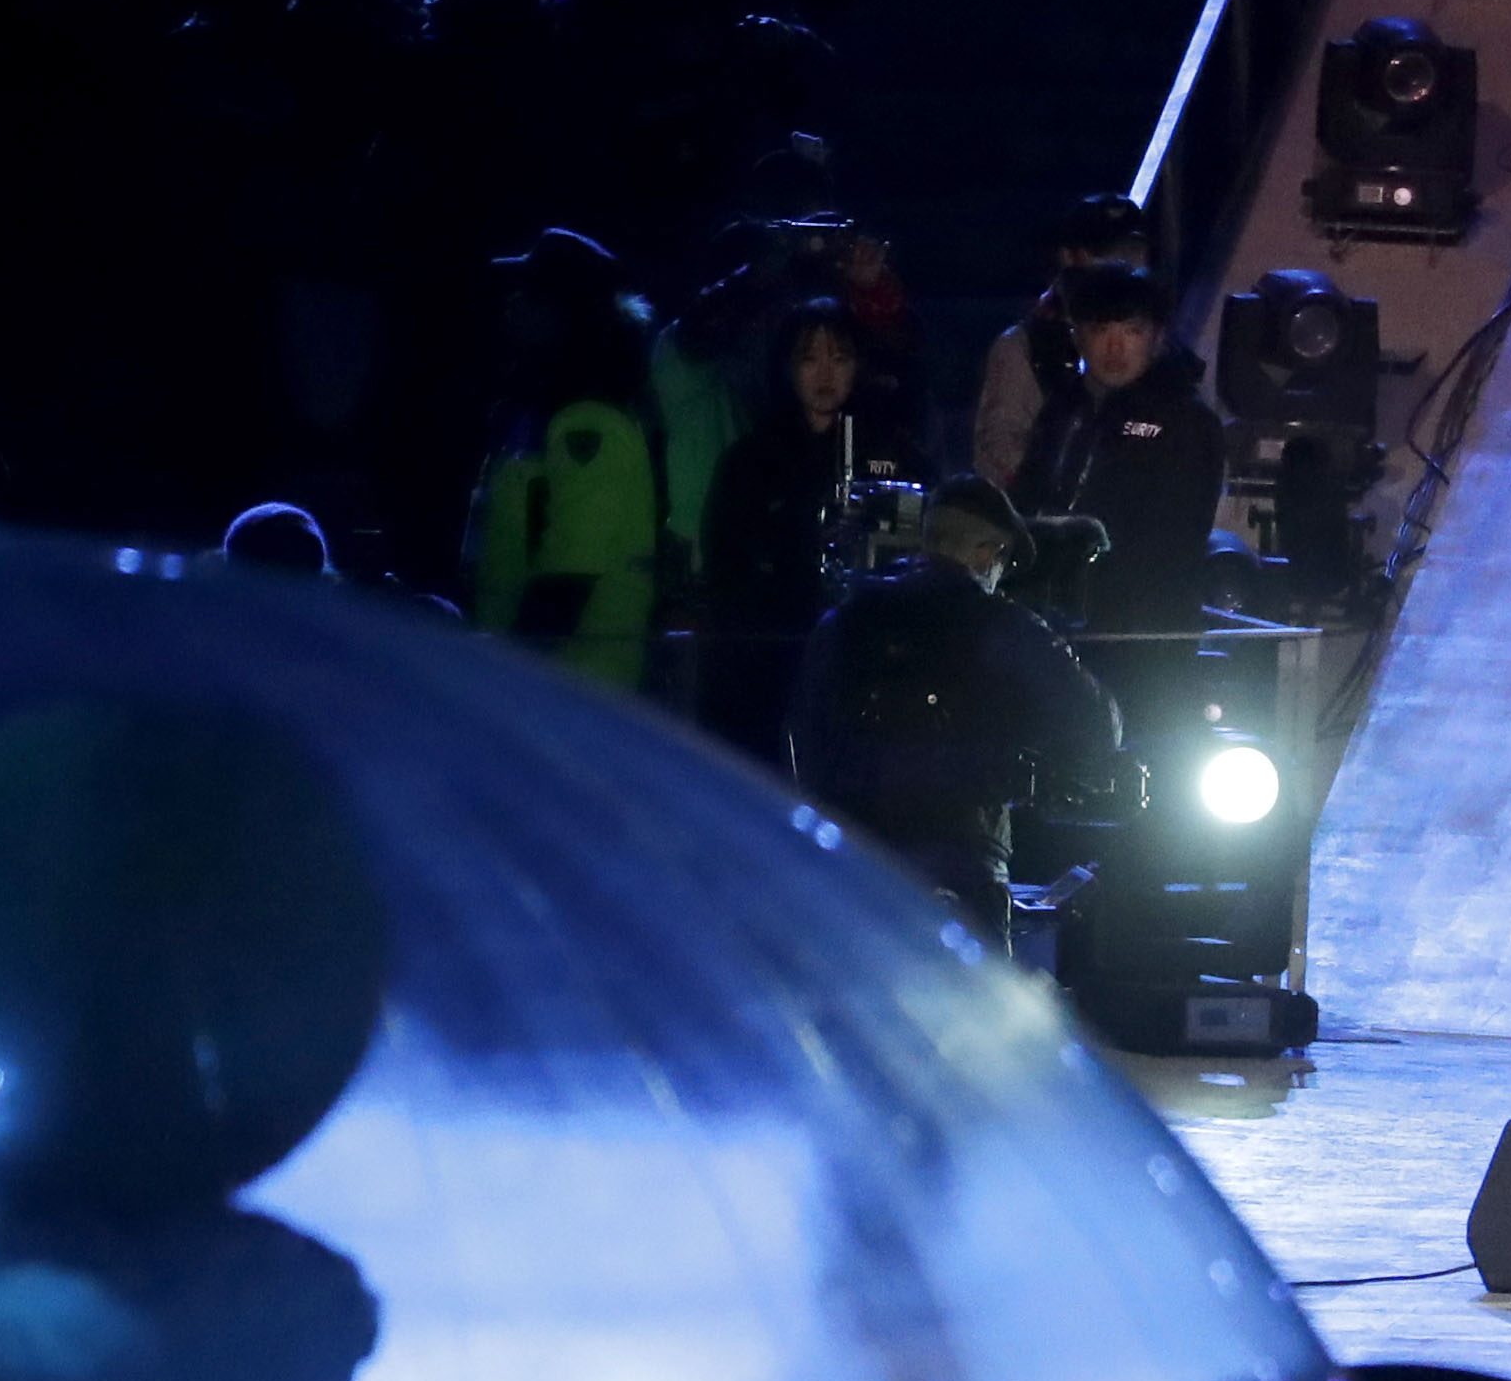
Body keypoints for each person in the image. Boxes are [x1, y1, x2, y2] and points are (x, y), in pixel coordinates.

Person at [786, 477, 1121, 938]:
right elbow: (1097, 725)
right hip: (961, 862)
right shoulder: (1003, 626)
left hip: (849, 861)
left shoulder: (844, 619)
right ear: (988, 555)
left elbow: (804, 734)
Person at [696, 295, 916, 760]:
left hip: (867, 657)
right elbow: (727, 567)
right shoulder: (751, 460)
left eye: (839, 358)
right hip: (774, 661)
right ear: (786, 367)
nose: (825, 374)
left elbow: (915, 549)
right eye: (809, 359)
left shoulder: (891, 451)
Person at [1013, 263, 1227, 714]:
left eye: (1131, 330)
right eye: (1100, 328)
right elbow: (1028, 499)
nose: (1114, 346)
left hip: (1143, 639)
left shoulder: (1186, 419)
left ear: (1156, 336)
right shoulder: (1062, 408)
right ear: (1077, 333)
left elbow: (1175, 538)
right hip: (1053, 630)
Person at [464, 228, 662, 693]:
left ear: (564, 315)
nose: (512, 305)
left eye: (530, 295)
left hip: (569, 699)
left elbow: (567, 583)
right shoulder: (542, 415)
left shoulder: (588, 425)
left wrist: (508, 682)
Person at [971, 190, 1151, 490]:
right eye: (1104, 251)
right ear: (1068, 256)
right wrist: (1074, 490)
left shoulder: (1158, 343)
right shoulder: (1023, 346)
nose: (1120, 262)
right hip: (1051, 525)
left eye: (1132, 250)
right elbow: (1000, 448)